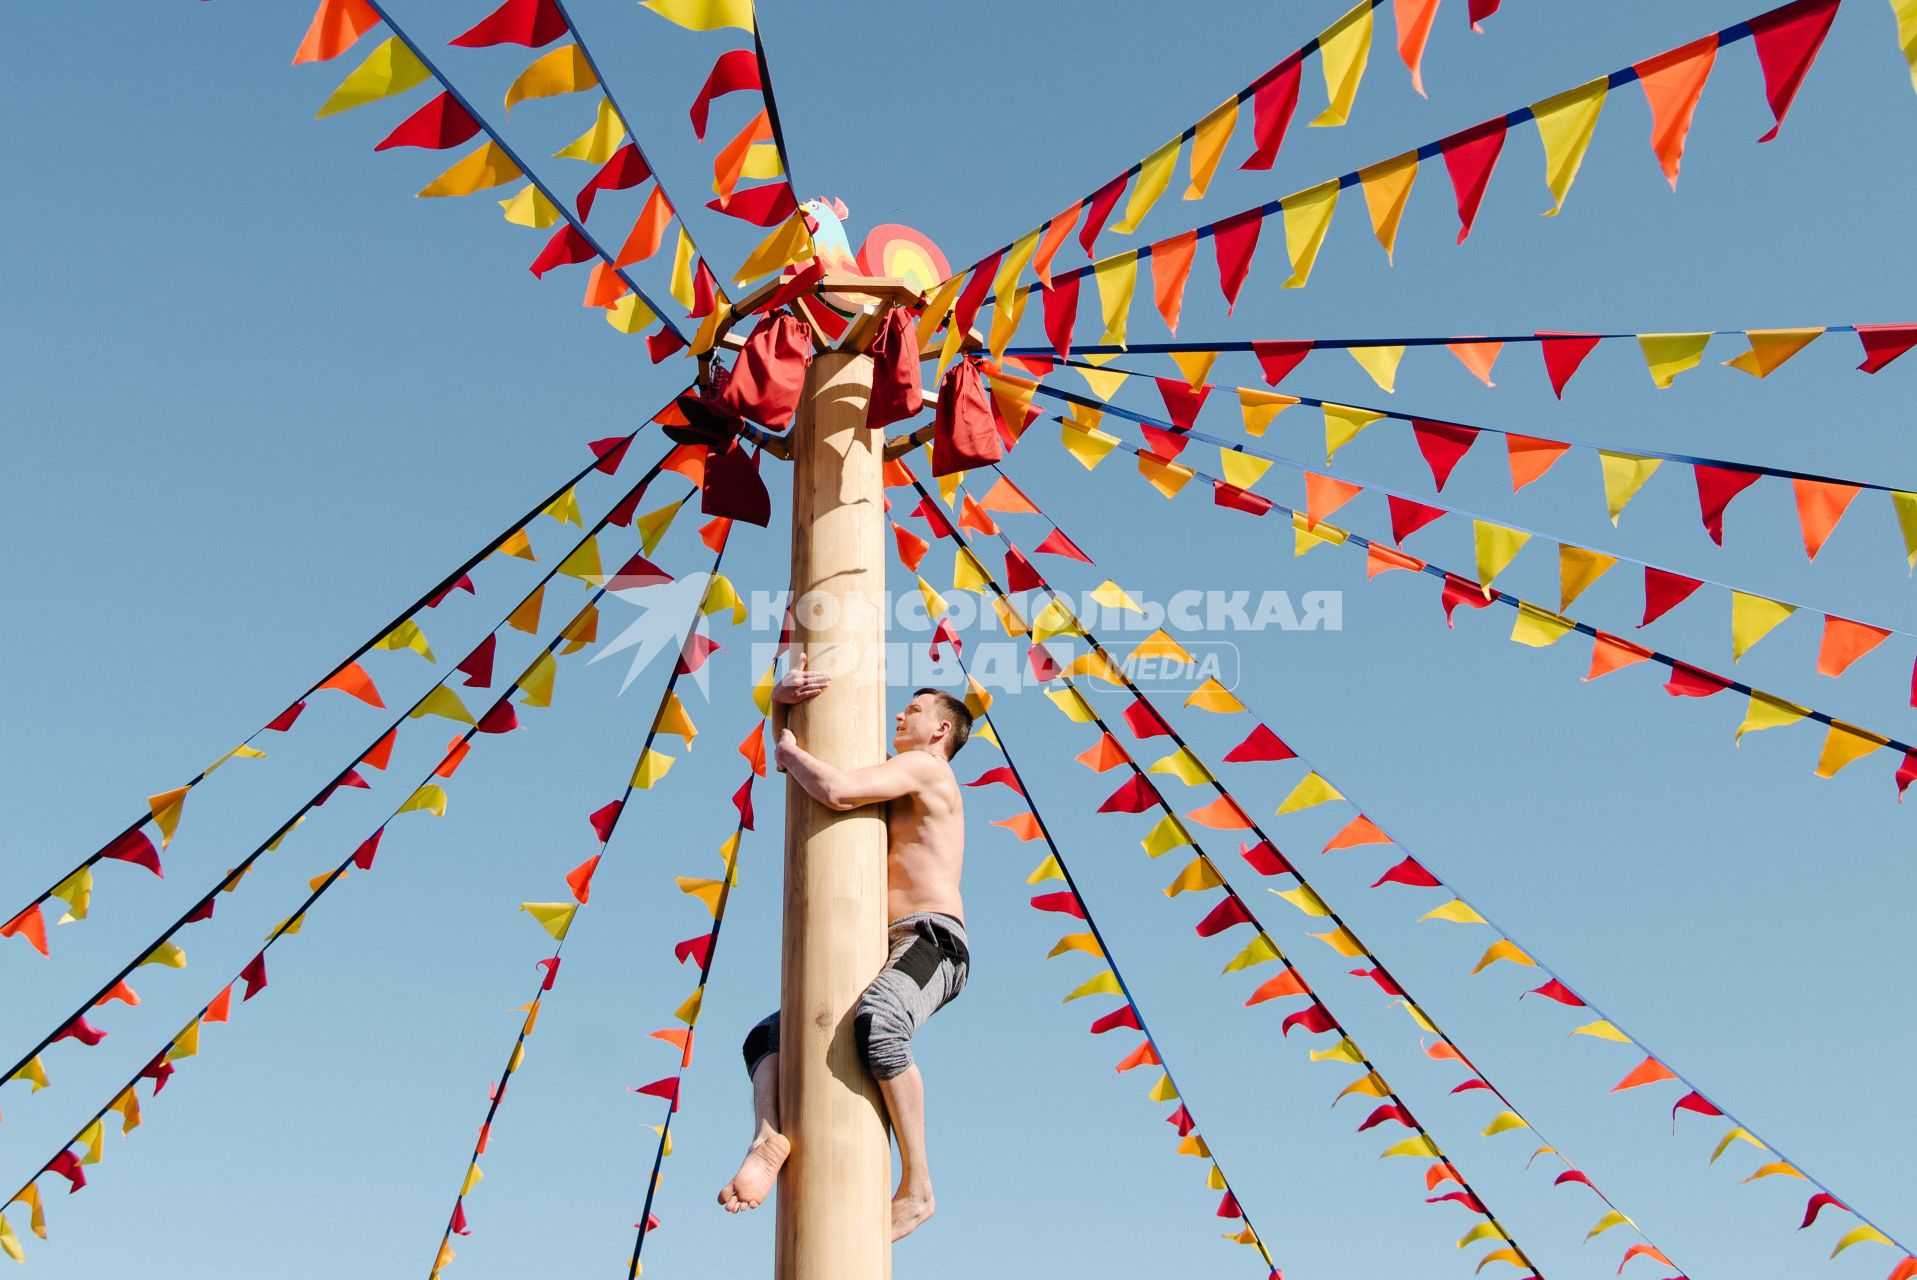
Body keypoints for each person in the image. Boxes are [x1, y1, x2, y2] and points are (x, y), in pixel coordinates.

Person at [717, 655, 972, 1243]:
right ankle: (767, 1137)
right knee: (767, 1040)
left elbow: (831, 787)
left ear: (940, 730)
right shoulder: (897, 770)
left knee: (880, 1024)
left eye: (915, 709)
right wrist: (782, 703)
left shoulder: (926, 769)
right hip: (876, 945)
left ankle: (919, 1187)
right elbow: (811, 772)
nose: (901, 713)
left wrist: (785, 749)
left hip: (931, 938)